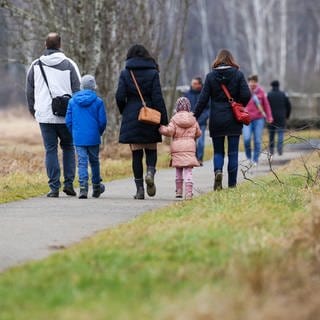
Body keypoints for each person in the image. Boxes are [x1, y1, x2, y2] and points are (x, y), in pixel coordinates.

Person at [26, 32, 81, 198]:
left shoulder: (35, 65)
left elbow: (30, 91)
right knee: (68, 148)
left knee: (50, 149)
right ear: (60, 45)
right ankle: (69, 184)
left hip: (44, 115)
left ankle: (53, 187)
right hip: (66, 115)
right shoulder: (70, 64)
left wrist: (33, 111)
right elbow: (77, 90)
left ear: (45, 45)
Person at [115, 44, 168, 200]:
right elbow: (158, 97)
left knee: (136, 154)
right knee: (151, 149)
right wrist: (163, 120)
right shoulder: (153, 73)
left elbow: (119, 96)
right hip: (150, 115)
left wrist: (125, 111)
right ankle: (150, 172)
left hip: (133, 115)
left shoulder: (126, 73)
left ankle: (139, 190)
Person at [194, 49, 251, 190]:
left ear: (217, 60)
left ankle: (218, 171)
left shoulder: (210, 77)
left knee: (218, 151)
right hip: (234, 119)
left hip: (216, 119)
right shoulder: (238, 75)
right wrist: (238, 103)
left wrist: (194, 116)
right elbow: (246, 95)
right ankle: (232, 185)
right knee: (233, 153)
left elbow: (202, 100)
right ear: (231, 60)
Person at [65, 75, 107, 199]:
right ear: (94, 87)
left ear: (81, 86)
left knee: (82, 163)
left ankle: (83, 189)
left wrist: (74, 132)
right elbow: (102, 121)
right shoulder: (98, 101)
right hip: (93, 136)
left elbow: (68, 121)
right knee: (94, 162)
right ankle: (96, 188)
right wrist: (98, 132)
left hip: (78, 137)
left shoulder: (72, 101)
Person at [159, 97, 201, 200]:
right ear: (188, 107)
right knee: (188, 170)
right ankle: (189, 193)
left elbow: (169, 131)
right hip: (190, 146)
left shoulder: (174, 119)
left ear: (177, 107)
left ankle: (178, 191)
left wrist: (161, 129)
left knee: (178, 169)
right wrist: (192, 136)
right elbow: (199, 133)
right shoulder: (193, 119)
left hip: (177, 147)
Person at [243, 74, 273, 166]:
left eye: (254, 82)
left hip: (258, 119)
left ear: (257, 82)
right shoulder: (244, 91)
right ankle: (248, 157)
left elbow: (266, 105)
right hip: (246, 119)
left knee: (257, 140)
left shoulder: (261, 92)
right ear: (248, 82)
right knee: (246, 138)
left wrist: (269, 116)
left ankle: (255, 159)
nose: (252, 84)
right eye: (251, 82)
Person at [184, 77, 209, 165]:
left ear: (199, 84)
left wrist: (203, 117)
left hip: (201, 122)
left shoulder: (205, 93)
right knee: (192, 141)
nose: (193, 85)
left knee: (201, 142)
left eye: (195, 83)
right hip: (190, 121)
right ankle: (194, 158)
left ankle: (200, 158)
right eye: (192, 83)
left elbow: (208, 108)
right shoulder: (187, 94)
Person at [267, 80, 291, 156]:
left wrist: (267, 116)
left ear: (271, 86)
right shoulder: (283, 94)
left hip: (271, 117)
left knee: (271, 134)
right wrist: (287, 116)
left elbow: (266, 106)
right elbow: (289, 106)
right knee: (280, 134)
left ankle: (271, 150)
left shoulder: (269, 94)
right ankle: (280, 150)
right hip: (281, 117)